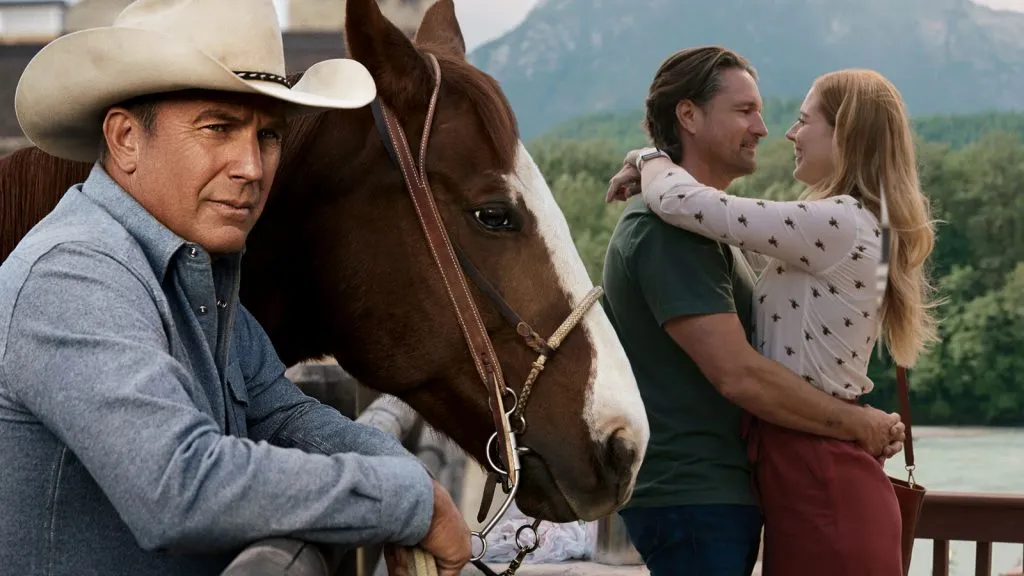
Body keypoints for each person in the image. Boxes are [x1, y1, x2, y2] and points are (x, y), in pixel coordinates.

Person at [0, 0, 470, 575]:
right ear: (125, 139)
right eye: (218, 127)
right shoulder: (73, 274)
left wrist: (412, 484)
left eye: (268, 135)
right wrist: (407, 502)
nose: (251, 166)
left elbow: (286, 418)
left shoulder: (197, 273)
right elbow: (178, 488)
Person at [609, 62, 939, 575]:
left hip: (817, 472)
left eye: (805, 120)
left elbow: (685, 201)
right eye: (748, 111)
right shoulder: (847, 230)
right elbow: (701, 213)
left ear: (845, 133)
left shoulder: (837, 223)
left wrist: (648, 157)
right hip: (810, 471)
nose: (784, 131)